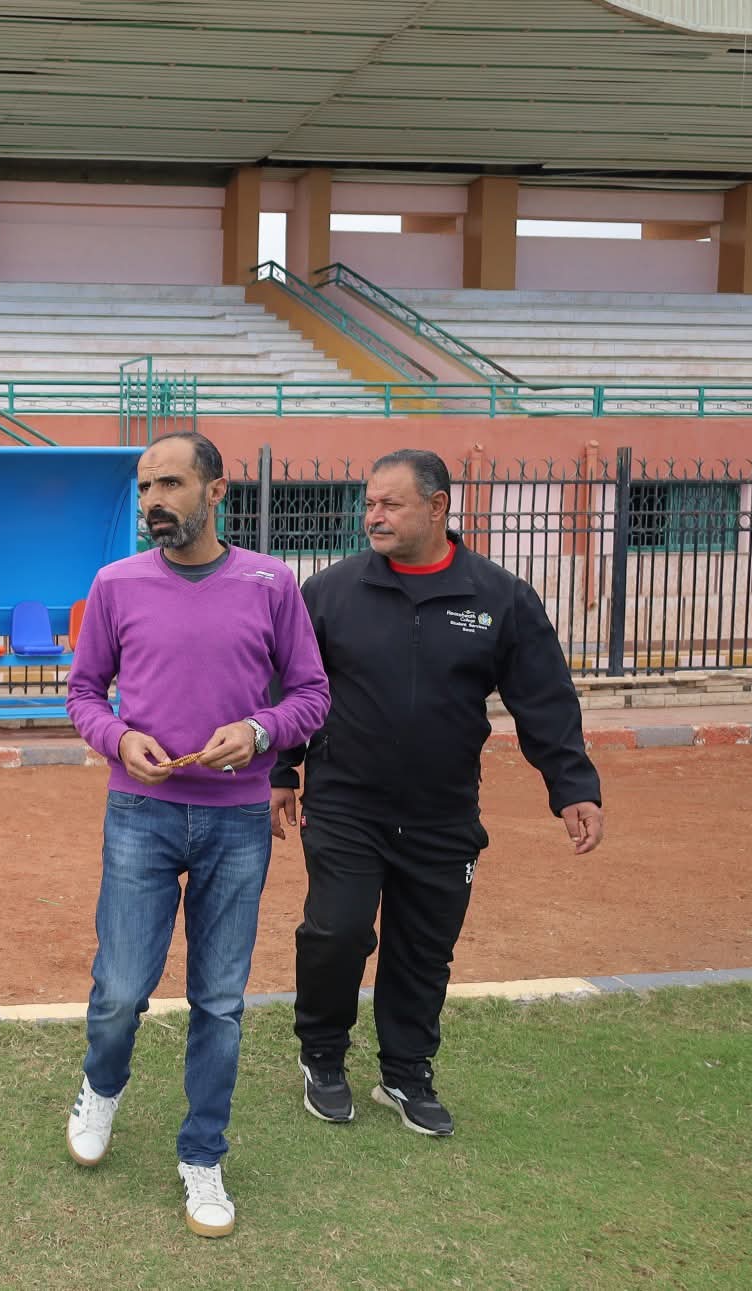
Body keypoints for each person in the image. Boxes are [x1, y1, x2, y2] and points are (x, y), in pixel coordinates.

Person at [272, 448, 604, 1138]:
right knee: (337, 931)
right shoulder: (330, 592)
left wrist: (572, 783)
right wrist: (282, 770)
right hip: (346, 803)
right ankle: (323, 1056)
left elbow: (544, 698)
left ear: (437, 507)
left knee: (423, 948)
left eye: (390, 504)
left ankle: (406, 1071)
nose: (374, 516)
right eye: (369, 503)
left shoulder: (499, 598)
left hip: (443, 811)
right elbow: (293, 686)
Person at [63, 431, 330, 1240]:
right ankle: (101, 1086)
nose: (154, 500)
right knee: (121, 989)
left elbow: (311, 694)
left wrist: (259, 730)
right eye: (147, 485)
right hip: (139, 814)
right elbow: (84, 693)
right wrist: (117, 740)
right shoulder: (115, 583)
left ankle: (203, 1153)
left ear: (216, 492)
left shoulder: (270, 583)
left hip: (238, 819)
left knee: (219, 1000)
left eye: (171, 483)